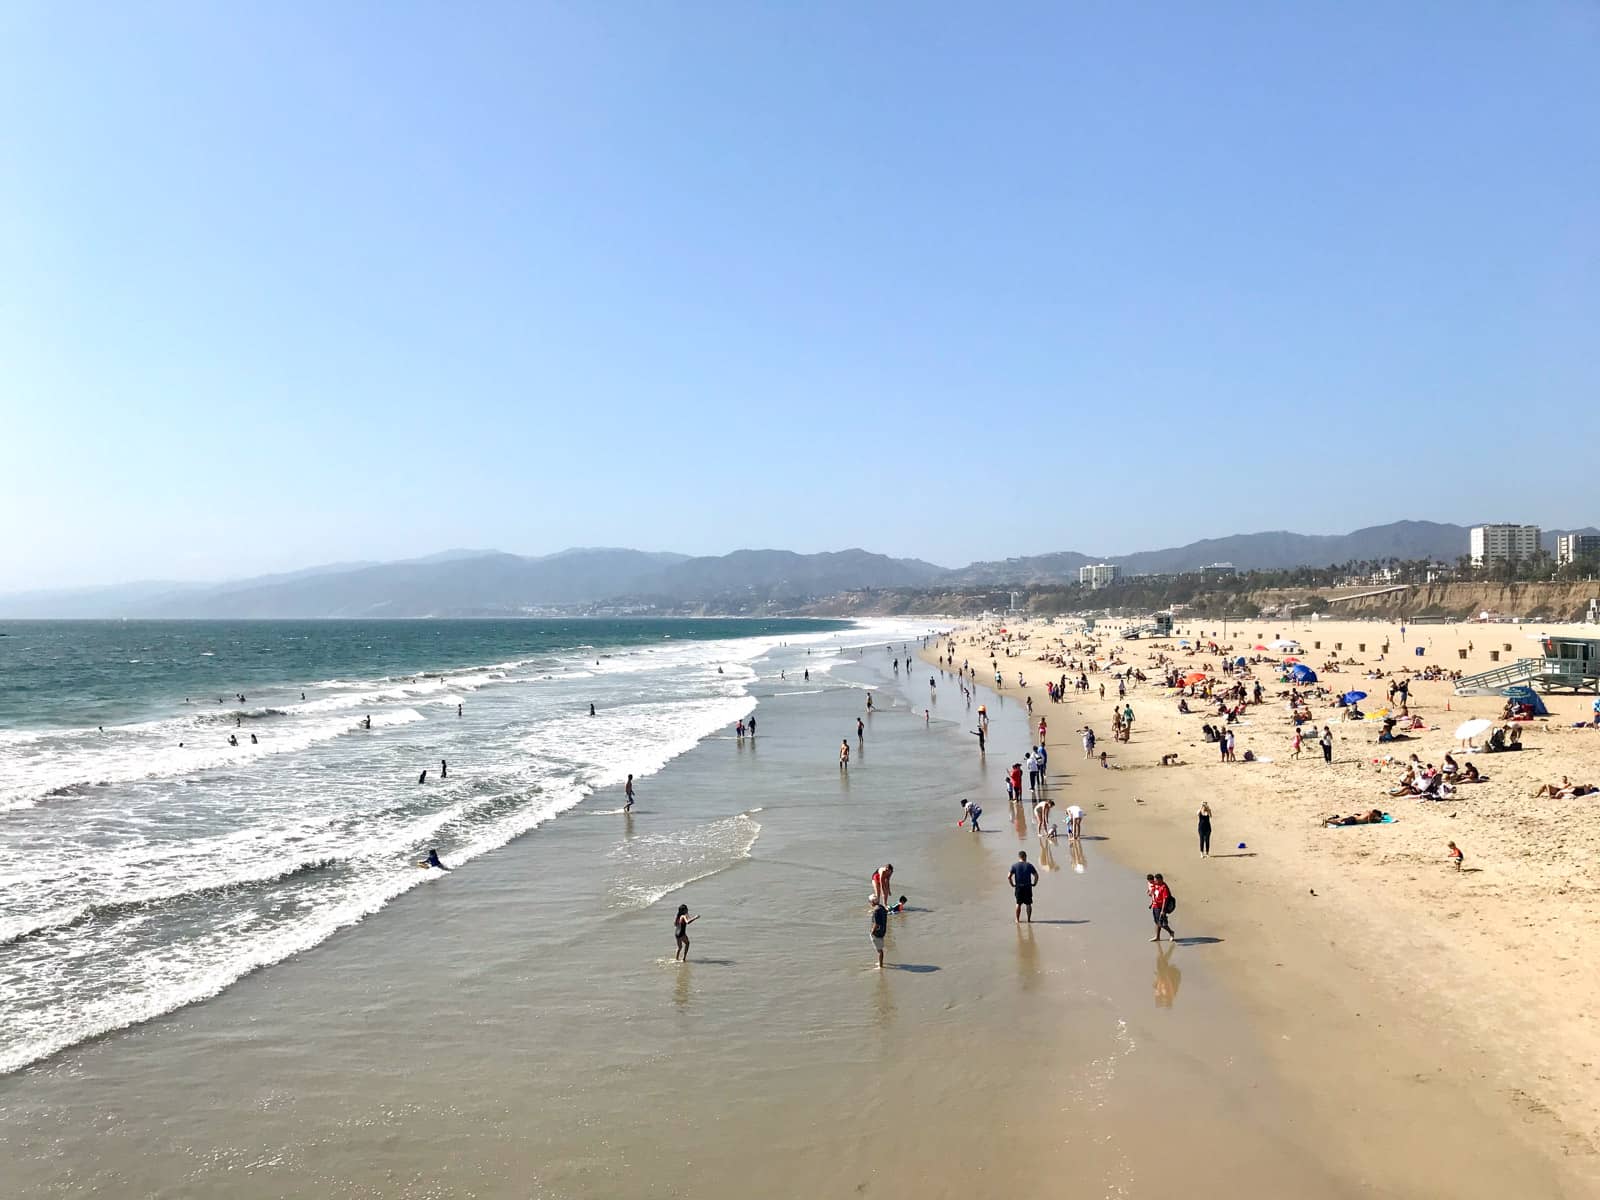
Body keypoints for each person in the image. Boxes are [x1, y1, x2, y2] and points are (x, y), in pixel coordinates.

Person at [1009, 851, 1039, 923]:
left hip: (1018, 887)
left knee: (1018, 904)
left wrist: (1012, 884)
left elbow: (1008, 876)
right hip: (1028, 887)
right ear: (1025, 857)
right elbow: (1036, 875)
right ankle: (1028, 920)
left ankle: (1017, 920)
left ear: (1019, 857)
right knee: (1028, 904)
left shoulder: (1014, 866)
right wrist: (1034, 883)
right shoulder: (1029, 865)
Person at [1149, 873, 1176, 942]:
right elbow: (1153, 892)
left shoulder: (1164, 887)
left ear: (1160, 880)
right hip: (1155, 906)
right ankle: (1157, 937)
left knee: (1162, 924)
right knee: (1157, 922)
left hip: (1161, 908)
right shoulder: (1156, 885)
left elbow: (1165, 900)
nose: (1155, 882)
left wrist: (1163, 910)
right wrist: (1150, 894)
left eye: (1156, 880)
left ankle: (1171, 932)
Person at [870, 897, 888, 969]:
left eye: (870, 901)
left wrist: (872, 932)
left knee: (879, 950)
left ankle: (880, 966)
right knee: (880, 948)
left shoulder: (876, 910)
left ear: (872, 902)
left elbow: (876, 924)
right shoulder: (882, 907)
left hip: (877, 933)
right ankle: (880, 962)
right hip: (883, 931)